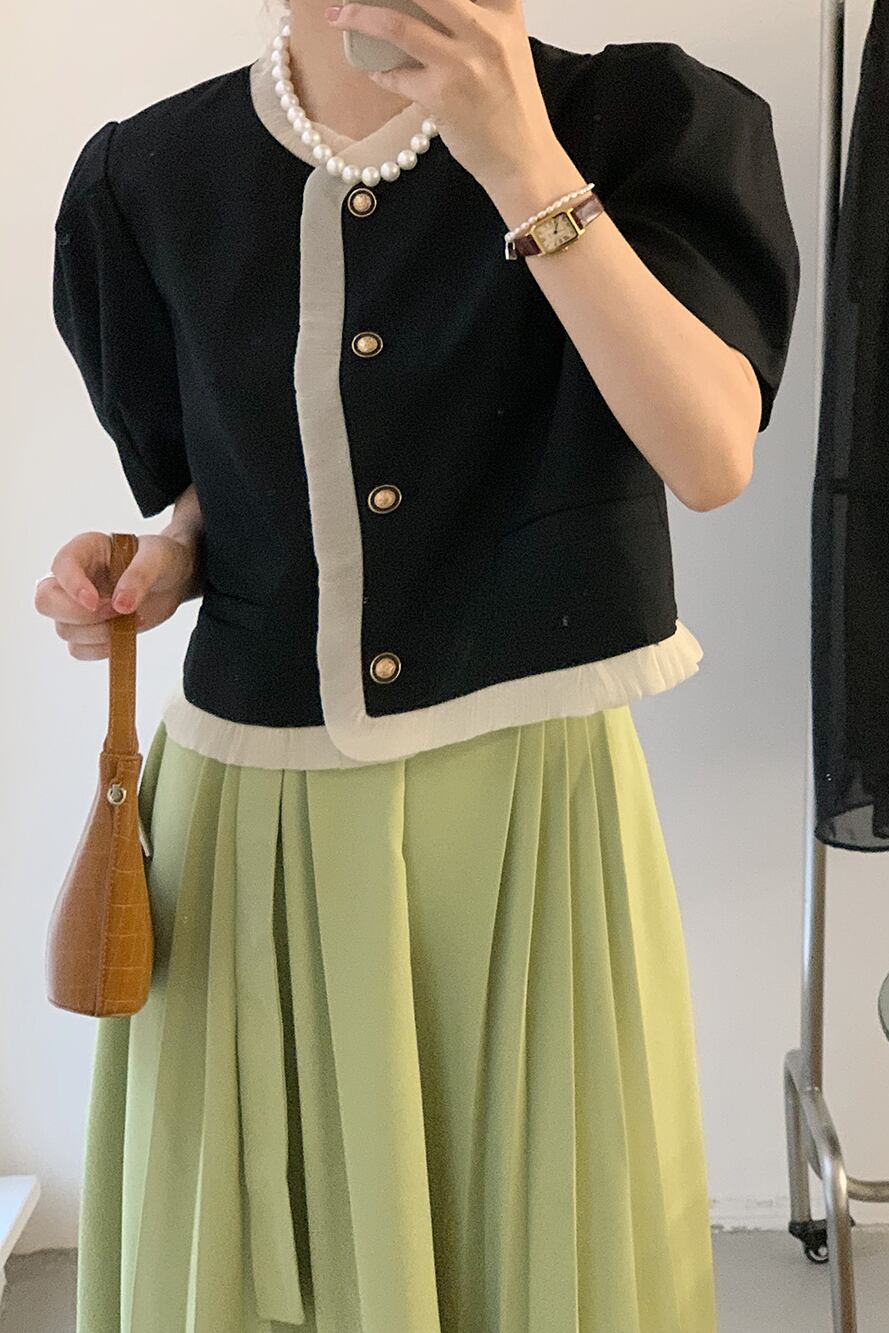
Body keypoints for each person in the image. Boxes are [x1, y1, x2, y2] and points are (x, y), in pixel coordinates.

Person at [37, 0, 800, 1328]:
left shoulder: (636, 122)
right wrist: (165, 558)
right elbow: (228, 480)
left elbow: (710, 452)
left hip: (527, 805)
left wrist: (520, 157)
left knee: (536, 1246)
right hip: (256, 807)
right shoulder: (148, 180)